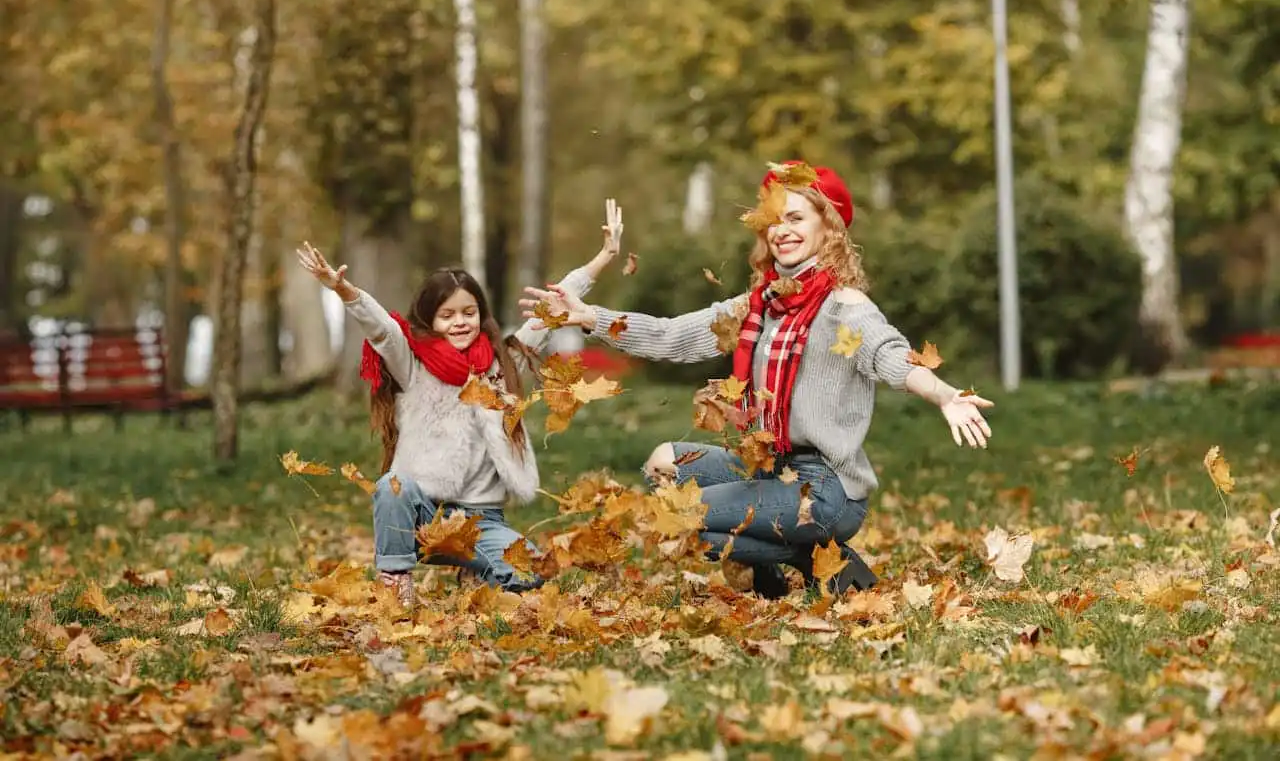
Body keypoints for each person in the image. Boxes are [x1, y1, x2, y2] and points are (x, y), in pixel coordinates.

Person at [520, 163, 993, 598]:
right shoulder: (759, 305)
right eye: (773, 220)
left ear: (828, 227)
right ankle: (798, 562)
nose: (781, 231)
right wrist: (587, 317)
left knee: (683, 518)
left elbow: (891, 357)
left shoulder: (844, 307)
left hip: (825, 490)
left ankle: (819, 554)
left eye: (796, 218)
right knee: (664, 465)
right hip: (770, 466)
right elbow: (674, 335)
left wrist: (945, 395)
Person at [296, 201, 625, 606]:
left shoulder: (504, 363)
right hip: (424, 518)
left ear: (480, 314)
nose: (460, 322)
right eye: (447, 315)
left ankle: (476, 569)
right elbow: (381, 329)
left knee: (531, 575)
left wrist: (603, 258)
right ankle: (395, 584)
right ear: (431, 321)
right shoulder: (412, 365)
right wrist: (342, 289)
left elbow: (552, 311)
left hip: (481, 521)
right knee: (391, 486)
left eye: (468, 312)